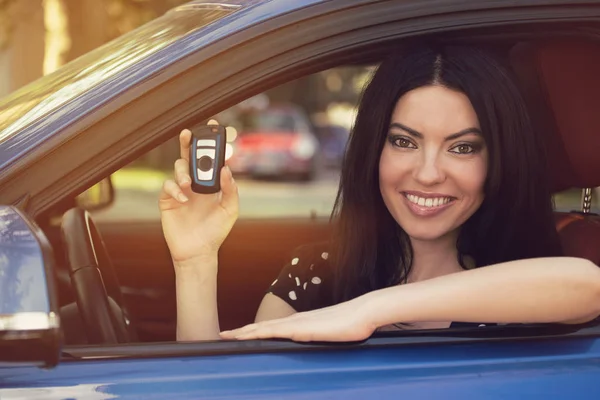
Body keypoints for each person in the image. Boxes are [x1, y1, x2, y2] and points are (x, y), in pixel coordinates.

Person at [159, 44, 600, 343]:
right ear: (374, 148)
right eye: (404, 142)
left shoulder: (519, 278)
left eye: (463, 147)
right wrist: (196, 263)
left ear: (497, 160)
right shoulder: (317, 274)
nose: (427, 174)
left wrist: (371, 310)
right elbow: (220, 389)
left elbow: (589, 287)